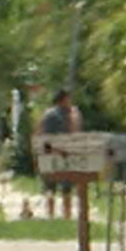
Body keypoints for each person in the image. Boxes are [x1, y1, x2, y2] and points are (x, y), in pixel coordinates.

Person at [37, 89, 82, 219]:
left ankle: (55, 215)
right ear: (62, 100)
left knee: (55, 187)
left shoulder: (52, 115)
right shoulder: (58, 115)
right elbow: (73, 134)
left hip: (56, 155)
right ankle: (62, 215)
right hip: (58, 155)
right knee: (61, 187)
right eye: (68, 99)